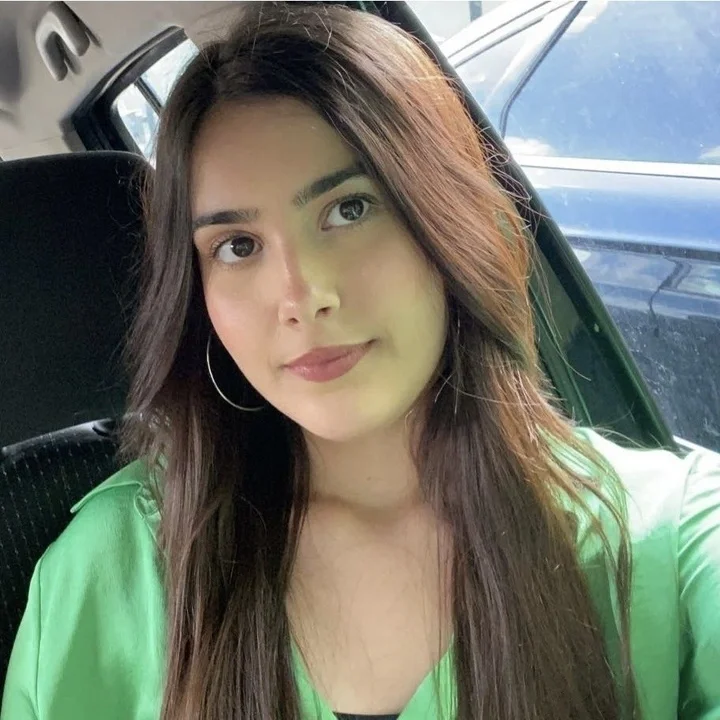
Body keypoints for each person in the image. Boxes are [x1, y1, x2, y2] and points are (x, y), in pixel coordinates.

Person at [2, 3, 719, 720]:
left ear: (449, 222)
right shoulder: (107, 572)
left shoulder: (667, 539)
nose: (302, 296)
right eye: (237, 247)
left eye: (349, 209)